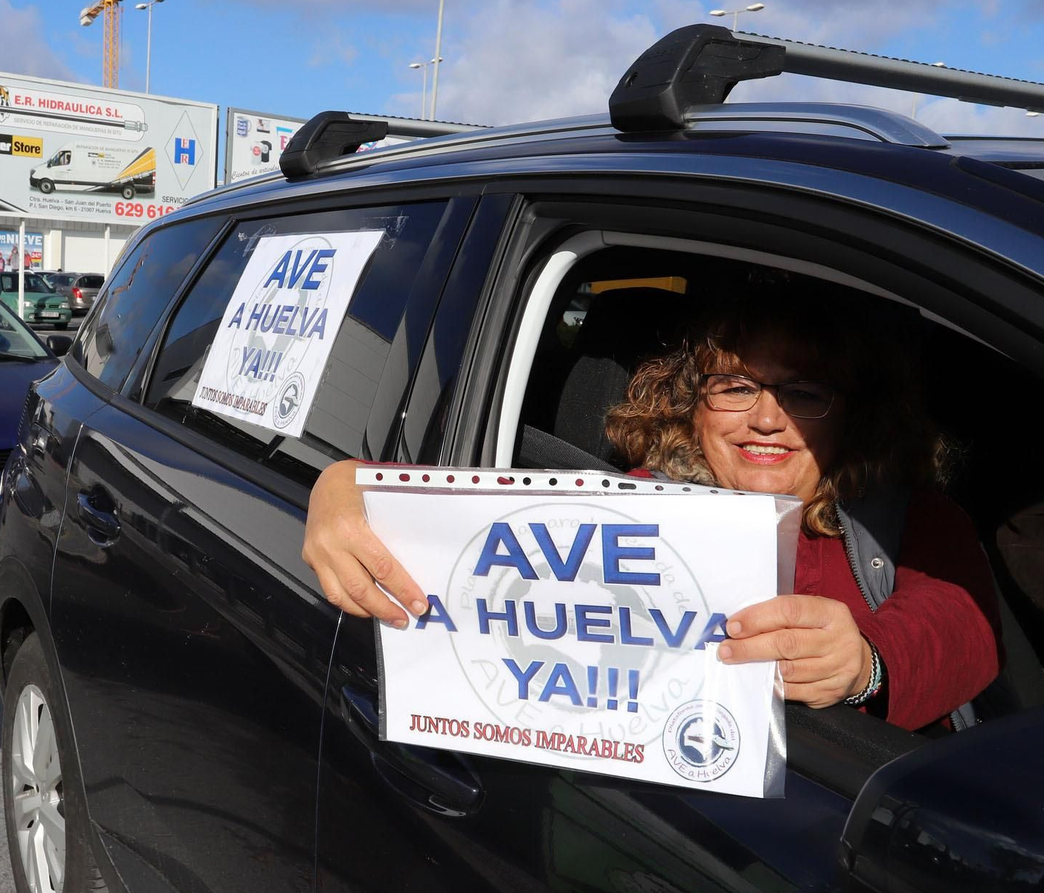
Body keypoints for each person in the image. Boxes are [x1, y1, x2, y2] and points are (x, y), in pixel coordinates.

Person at [302, 283, 1001, 732]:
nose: (765, 419)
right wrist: (346, 486)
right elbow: (492, 531)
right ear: (692, 406)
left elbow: (962, 625)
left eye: (802, 393)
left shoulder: (912, 517)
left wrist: (866, 663)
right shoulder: (633, 505)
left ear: (852, 414)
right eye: (735, 386)